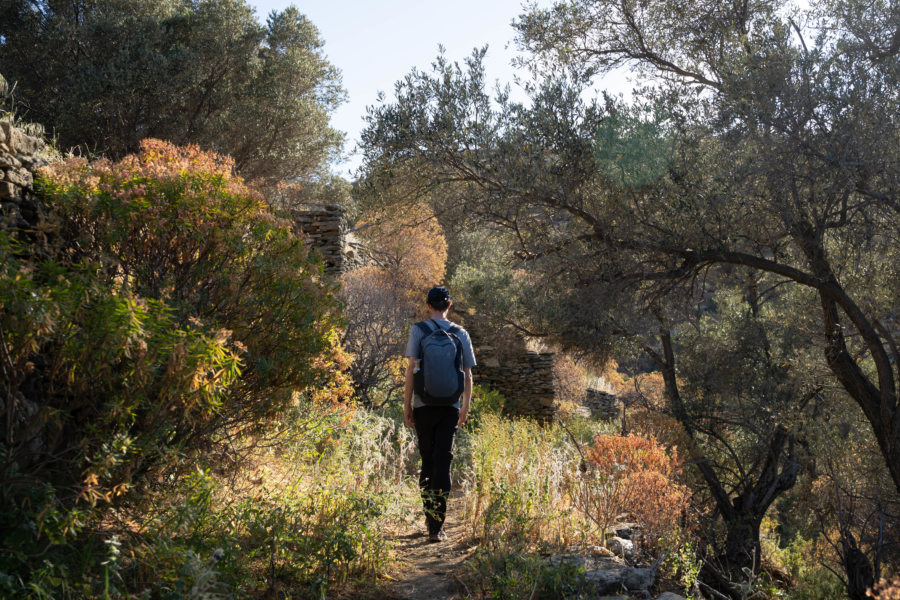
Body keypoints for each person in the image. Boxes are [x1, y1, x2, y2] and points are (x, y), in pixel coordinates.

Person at [403, 286, 475, 542]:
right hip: (450, 408)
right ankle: (438, 527)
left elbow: (411, 368)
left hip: (423, 406)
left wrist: (407, 405)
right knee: (443, 461)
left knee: (428, 460)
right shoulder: (461, 333)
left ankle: (429, 518)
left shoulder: (418, 331)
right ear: (449, 305)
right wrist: (464, 407)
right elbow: (467, 374)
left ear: (428, 306)